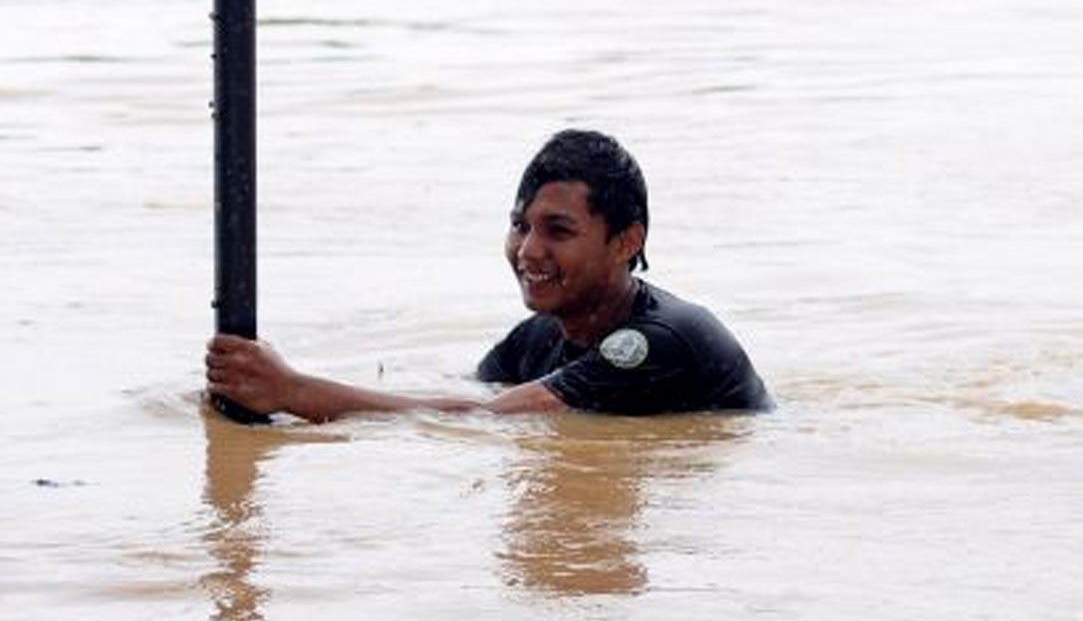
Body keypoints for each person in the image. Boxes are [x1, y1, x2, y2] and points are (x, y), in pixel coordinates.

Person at [205, 129, 771, 420]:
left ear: (627, 241)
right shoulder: (541, 337)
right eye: (519, 226)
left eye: (558, 230)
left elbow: (483, 423)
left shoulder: (653, 343)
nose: (528, 250)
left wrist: (292, 390)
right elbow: (446, 407)